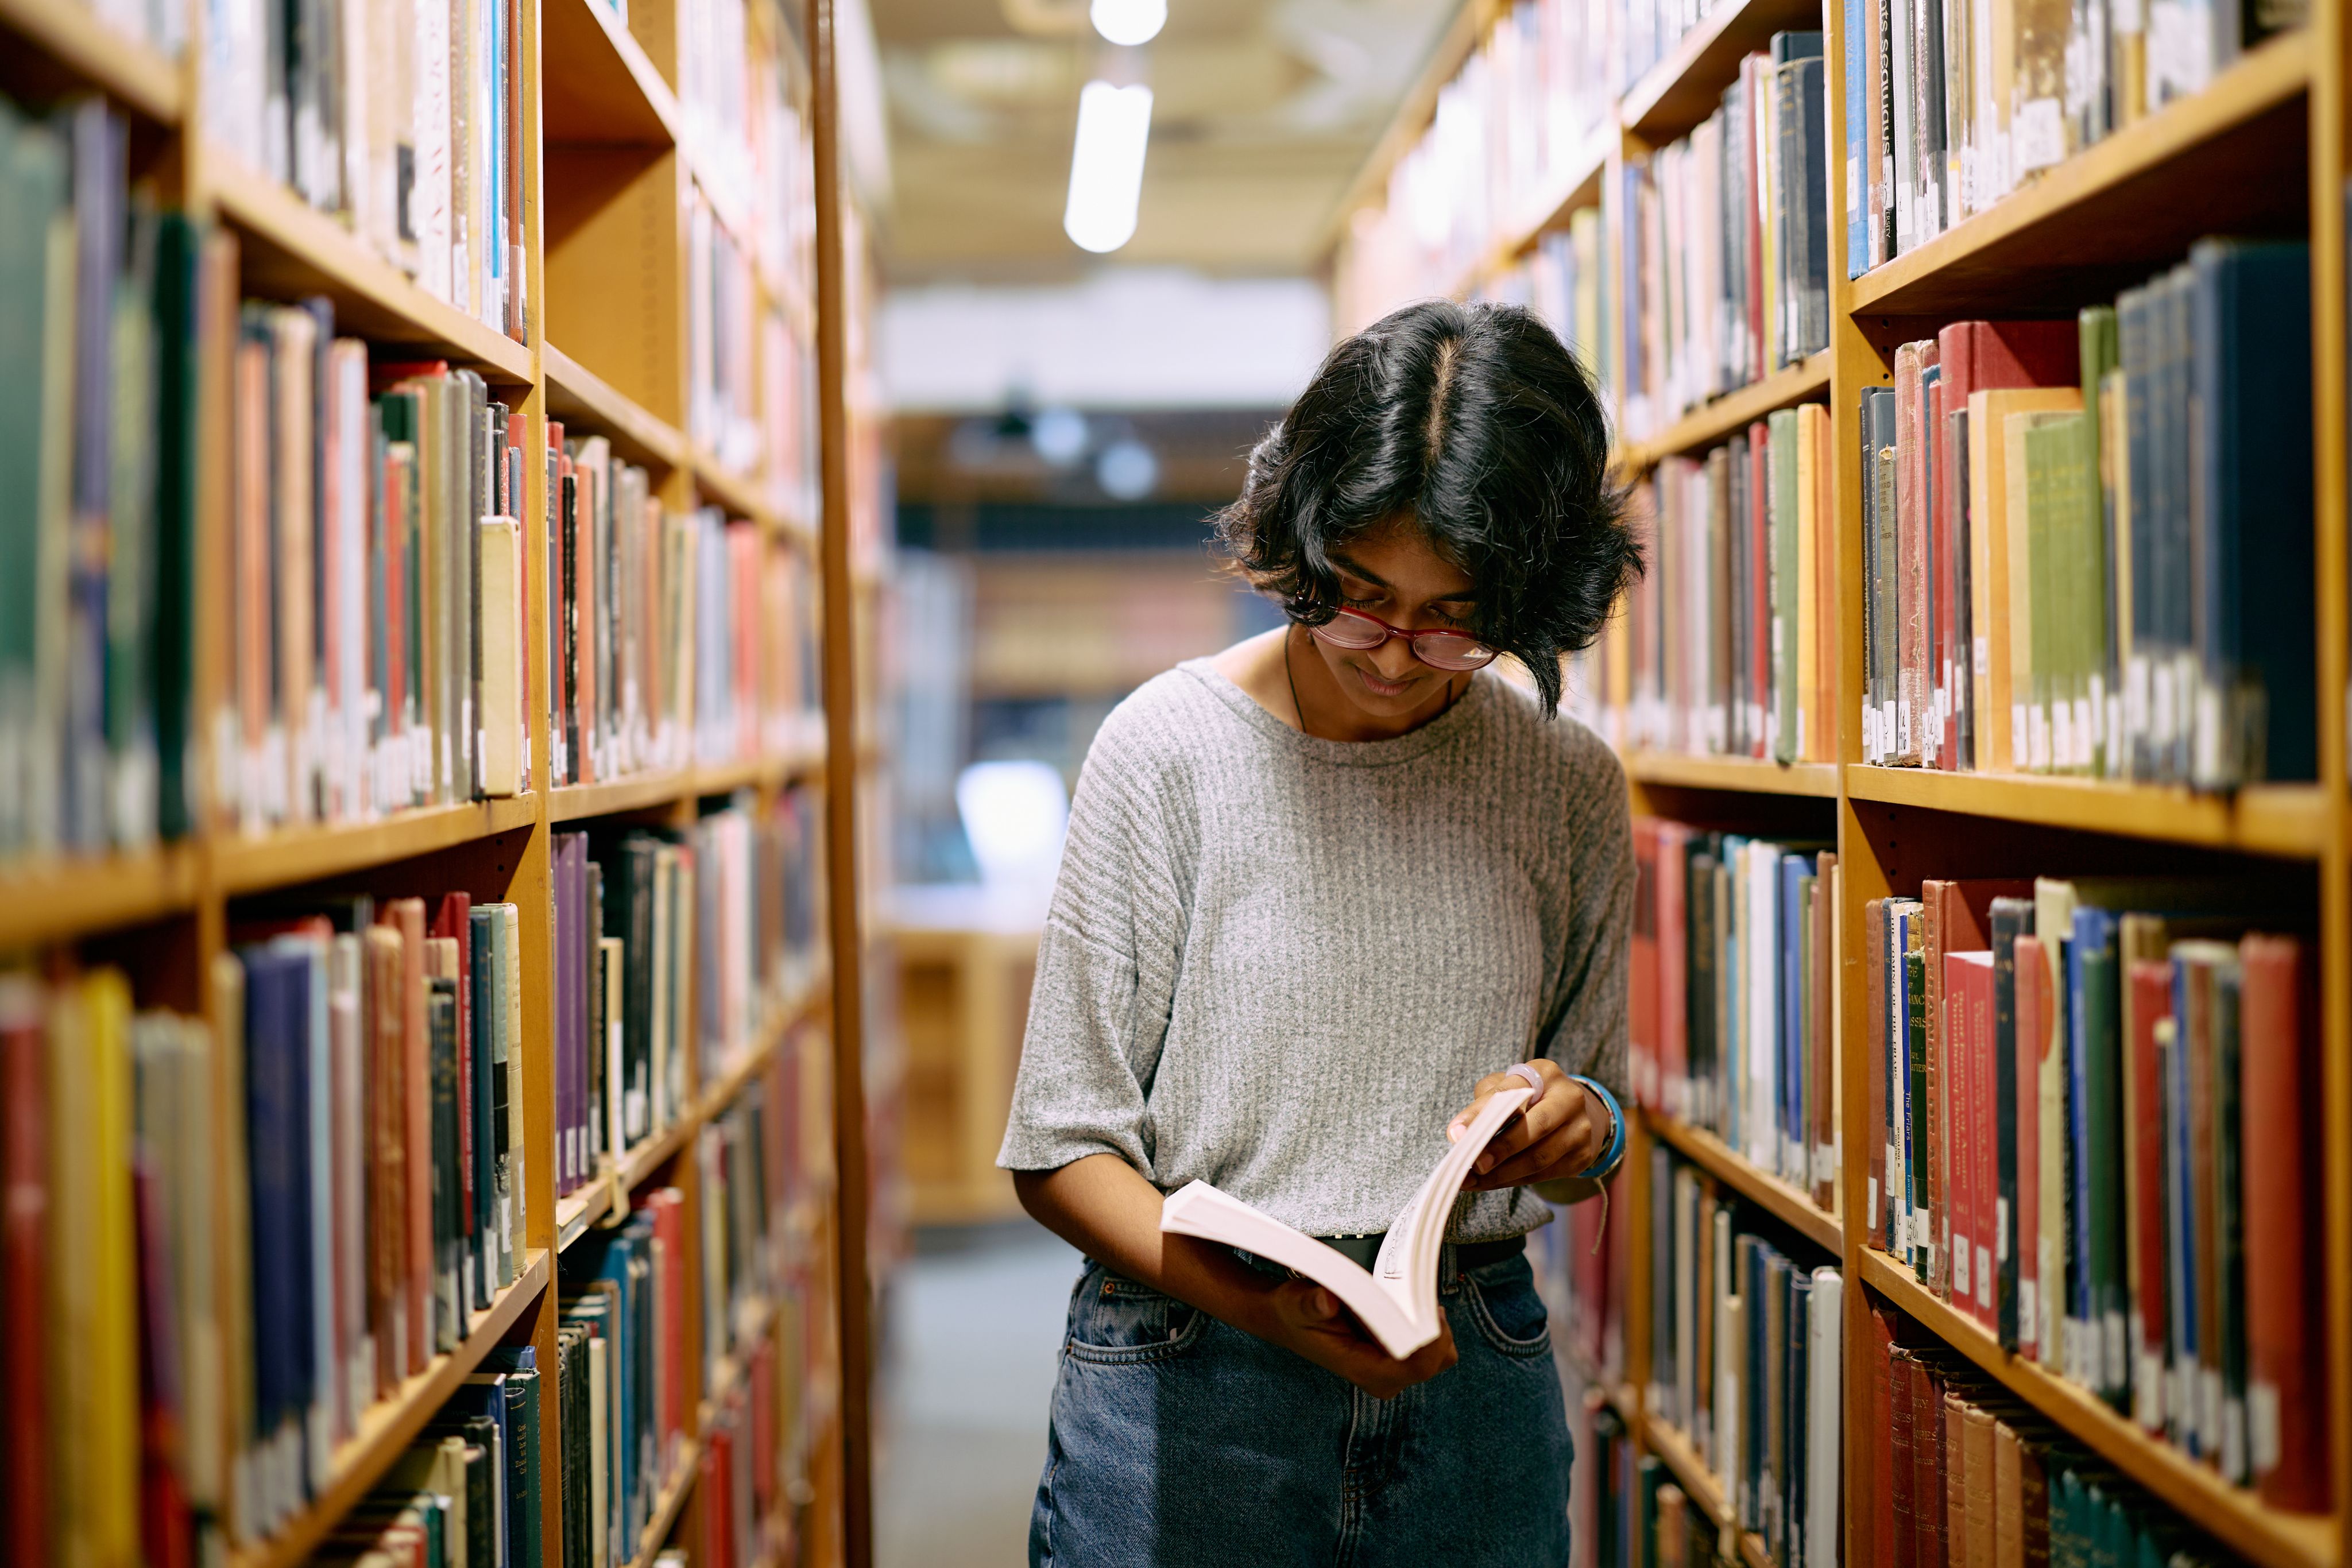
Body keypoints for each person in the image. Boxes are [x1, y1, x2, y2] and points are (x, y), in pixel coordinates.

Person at [997, 297, 1643, 1568]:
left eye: (1453, 622)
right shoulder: (1163, 753)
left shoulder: (1563, 782)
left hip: (1470, 1367)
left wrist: (1579, 1123)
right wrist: (1264, 1308)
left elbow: (1593, 1125)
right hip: (1192, 1363)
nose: (1395, 657)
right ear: (1299, 541)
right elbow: (1058, 1148)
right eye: (1355, 599)